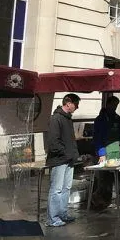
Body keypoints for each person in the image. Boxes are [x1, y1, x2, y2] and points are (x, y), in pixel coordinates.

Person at [46, 93, 81, 227]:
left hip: (68, 159)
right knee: (56, 189)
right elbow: (53, 142)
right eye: (76, 104)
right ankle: (52, 219)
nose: (77, 107)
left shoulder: (67, 119)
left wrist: (74, 154)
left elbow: (70, 140)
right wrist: (67, 153)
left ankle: (62, 213)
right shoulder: (57, 118)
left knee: (66, 188)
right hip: (59, 160)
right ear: (68, 103)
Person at [91, 96, 120, 210]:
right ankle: (98, 199)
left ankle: (107, 200)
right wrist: (101, 153)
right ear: (108, 104)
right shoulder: (100, 119)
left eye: (116, 105)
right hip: (103, 151)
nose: (114, 107)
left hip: (115, 151)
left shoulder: (116, 118)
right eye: (113, 105)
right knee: (103, 178)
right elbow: (97, 138)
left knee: (113, 176)